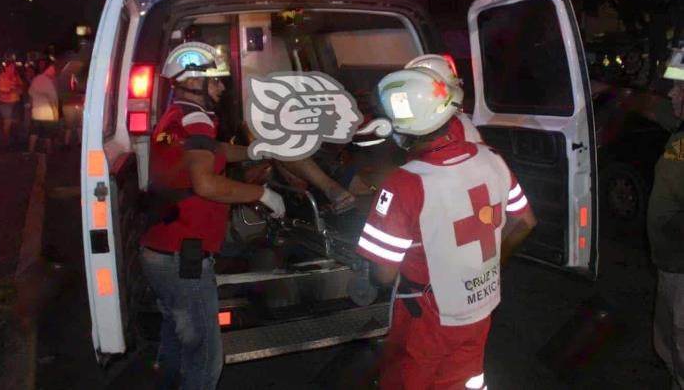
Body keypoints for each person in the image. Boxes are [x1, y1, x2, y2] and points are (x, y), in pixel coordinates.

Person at [140, 41, 354, 390]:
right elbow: (205, 183)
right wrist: (263, 193)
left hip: (161, 250)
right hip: (185, 258)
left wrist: (254, 149)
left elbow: (212, 151)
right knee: (206, 359)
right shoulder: (196, 120)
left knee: (176, 343)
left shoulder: (174, 117)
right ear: (193, 81)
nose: (222, 88)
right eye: (215, 81)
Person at [356, 63, 537, 389]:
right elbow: (524, 221)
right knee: (466, 382)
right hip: (481, 307)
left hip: (426, 315)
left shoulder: (404, 185)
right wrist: (491, 265)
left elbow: (382, 274)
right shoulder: (492, 158)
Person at [646, 48, 684, 389]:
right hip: (670, 266)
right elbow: (656, 109)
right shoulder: (680, 127)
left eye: (680, 88)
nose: (673, 93)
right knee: (671, 345)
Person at [27, 60, 59, 154]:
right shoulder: (48, 82)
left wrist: (31, 107)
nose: (54, 72)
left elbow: (30, 94)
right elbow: (52, 99)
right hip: (48, 114)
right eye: (52, 70)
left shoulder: (36, 79)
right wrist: (55, 113)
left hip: (36, 112)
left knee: (34, 132)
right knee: (47, 134)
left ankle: (31, 150)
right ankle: (49, 151)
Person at [0, 60, 24, 144]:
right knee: (7, 122)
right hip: (6, 102)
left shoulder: (16, 75)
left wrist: (17, 88)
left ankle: (14, 139)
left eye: (13, 67)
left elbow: (21, 85)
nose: (12, 68)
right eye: (11, 67)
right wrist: (15, 89)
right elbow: (3, 90)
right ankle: (6, 140)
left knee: (15, 121)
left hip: (15, 101)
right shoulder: (1, 77)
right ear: (6, 67)